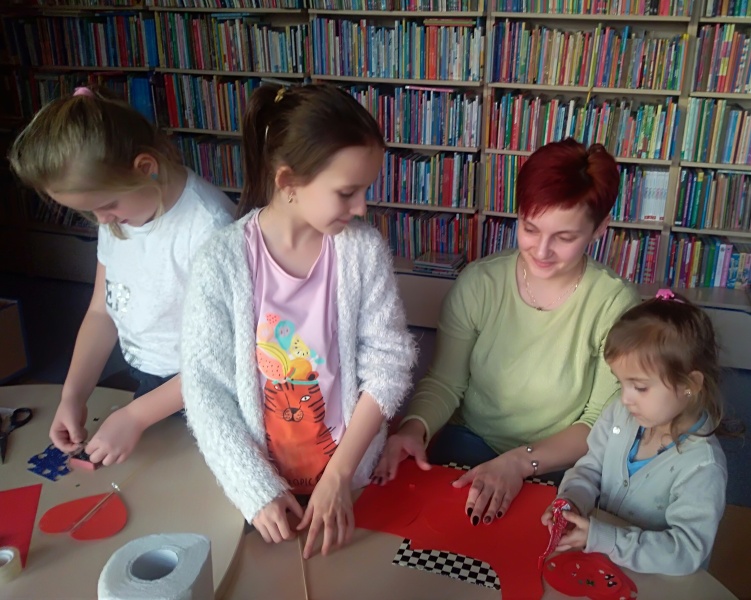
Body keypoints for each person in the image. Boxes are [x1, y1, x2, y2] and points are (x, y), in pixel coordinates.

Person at [180, 83, 415, 560]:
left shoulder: (362, 251)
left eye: (365, 190)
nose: (362, 207)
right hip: (265, 492)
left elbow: (388, 365)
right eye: (347, 192)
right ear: (288, 182)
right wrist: (254, 488)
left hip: (351, 475)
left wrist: (340, 475)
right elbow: (205, 390)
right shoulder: (220, 262)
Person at [374, 138, 641, 525]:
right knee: (433, 530)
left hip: (560, 457)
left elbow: (598, 422)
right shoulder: (479, 283)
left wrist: (519, 463)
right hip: (472, 438)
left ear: (600, 229)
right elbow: (446, 382)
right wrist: (415, 429)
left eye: (565, 238)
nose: (541, 251)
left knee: (541, 543)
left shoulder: (614, 304)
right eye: (530, 228)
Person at [8, 86, 235, 466]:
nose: (102, 220)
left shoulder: (210, 229)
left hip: (209, 391)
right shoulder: (120, 215)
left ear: (145, 168)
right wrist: (73, 395)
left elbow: (222, 359)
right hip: (152, 382)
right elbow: (103, 312)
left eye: (106, 206)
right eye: (89, 212)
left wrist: (136, 416)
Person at [541, 291, 729, 575]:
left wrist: (603, 538)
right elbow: (590, 468)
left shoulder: (703, 466)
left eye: (640, 387)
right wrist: (572, 501)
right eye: (621, 383)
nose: (625, 398)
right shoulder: (620, 414)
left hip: (655, 581)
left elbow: (684, 551)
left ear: (690, 385)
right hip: (602, 565)